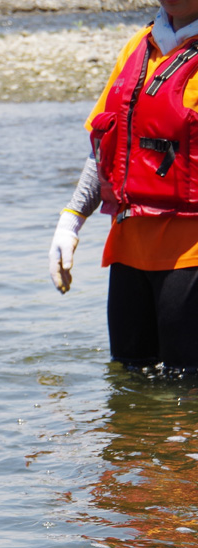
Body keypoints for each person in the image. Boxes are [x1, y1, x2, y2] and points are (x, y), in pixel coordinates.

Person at [49, 0, 198, 370]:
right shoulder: (138, 47)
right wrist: (70, 222)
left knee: (187, 390)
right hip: (129, 250)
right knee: (130, 386)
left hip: (191, 255)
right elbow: (108, 144)